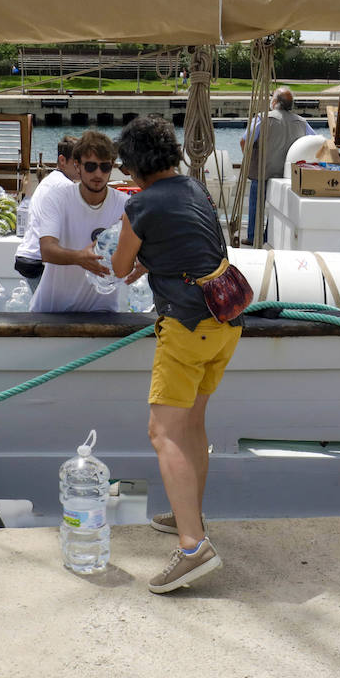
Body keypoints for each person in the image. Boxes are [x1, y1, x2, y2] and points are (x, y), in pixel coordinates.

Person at [111, 115, 242, 594]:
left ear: (135, 166)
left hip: (187, 328)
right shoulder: (195, 188)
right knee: (192, 425)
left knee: (162, 433)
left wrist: (138, 254)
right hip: (226, 321)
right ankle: (190, 516)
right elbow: (196, 245)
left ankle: (193, 546)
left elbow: (120, 265)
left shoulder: (140, 206)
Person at [29, 131, 134, 313]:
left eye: (105, 167)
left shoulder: (126, 205)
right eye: (91, 166)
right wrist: (80, 258)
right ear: (77, 166)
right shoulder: (57, 198)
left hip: (104, 313)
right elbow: (46, 250)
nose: (98, 173)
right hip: (52, 312)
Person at [239, 87, 316, 244]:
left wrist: (248, 159)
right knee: (278, 207)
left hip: (262, 171)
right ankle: (269, 237)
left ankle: (254, 237)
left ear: (274, 102)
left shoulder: (263, 118)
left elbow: (244, 140)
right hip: (287, 176)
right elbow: (315, 142)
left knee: (256, 205)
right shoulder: (302, 122)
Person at [13, 134, 79, 289]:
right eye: (77, 162)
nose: (81, 167)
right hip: (39, 259)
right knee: (51, 311)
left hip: (27, 255)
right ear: (62, 161)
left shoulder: (50, 180)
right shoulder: (65, 186)